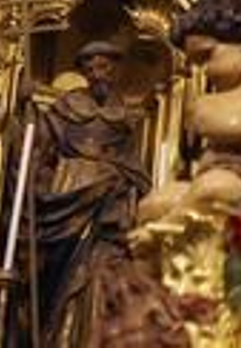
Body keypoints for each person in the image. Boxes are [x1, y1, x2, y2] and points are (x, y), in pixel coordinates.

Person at [25, 42, 152, 345]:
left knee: (101, 270)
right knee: (59, 273)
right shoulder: (65, 108)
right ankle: (55, 334)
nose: (97, 74)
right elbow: (40, 149)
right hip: (68, 196)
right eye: (90, 69)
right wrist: (27, 110)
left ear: (116, 70)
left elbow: (134, 166)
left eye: (104, 67)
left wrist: (127, 185)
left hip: (108, 206)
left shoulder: (124, 117)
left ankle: (87, 336)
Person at [137, 0, 241, 222]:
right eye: (196, 63)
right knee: (153, 204)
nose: (204, 71)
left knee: (212, 188)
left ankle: (165, 230)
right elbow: (206, 122)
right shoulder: (211, 100)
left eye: (207, 56)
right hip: (208, 174)